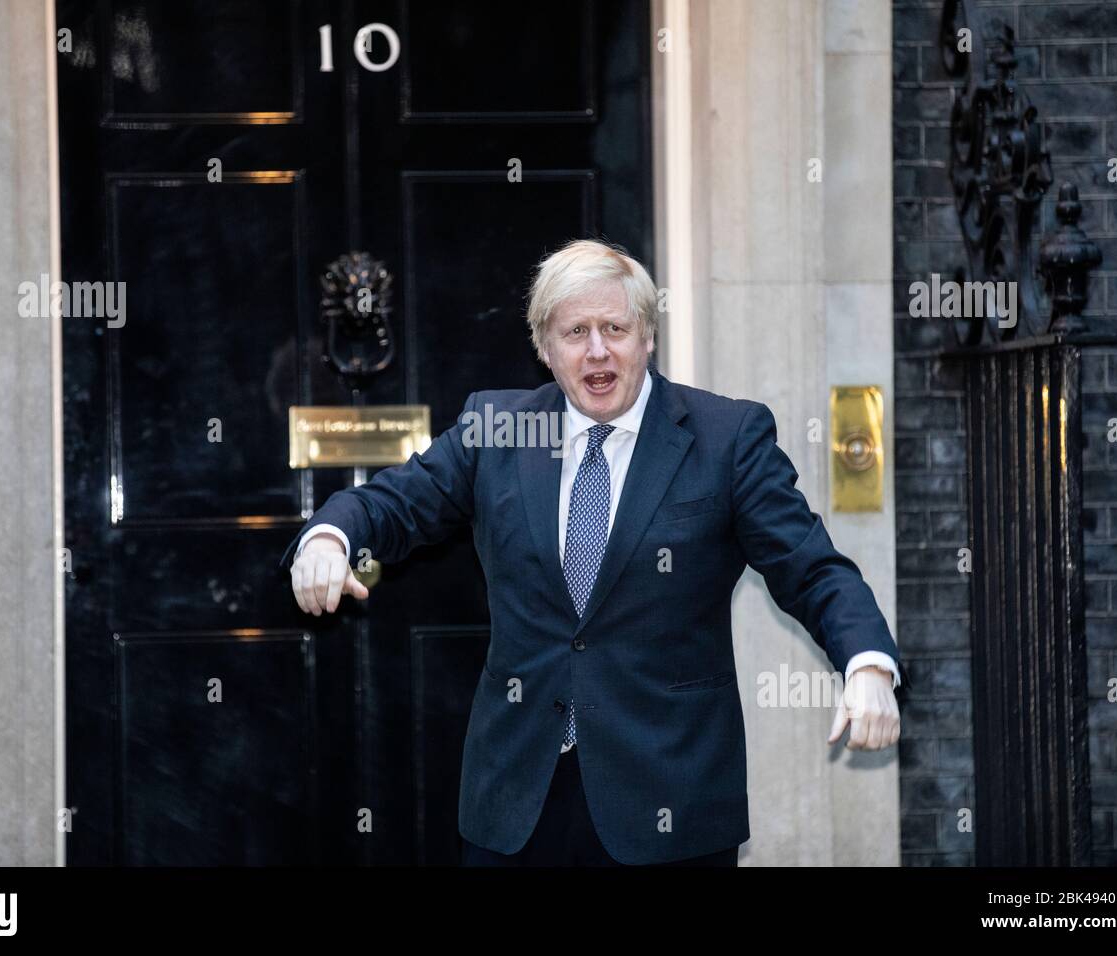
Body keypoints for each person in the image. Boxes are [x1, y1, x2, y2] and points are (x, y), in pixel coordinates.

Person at [280, 239, 901, 866]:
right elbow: (395, 502)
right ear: (545, 349)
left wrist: (867, 661)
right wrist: (331, 537)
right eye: (575, 331)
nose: (598, 350)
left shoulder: (727, 437)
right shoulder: (499, 427)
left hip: (670, 798)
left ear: (647, 337)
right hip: (517, 804)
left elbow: (811, 566)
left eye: (615, 328)